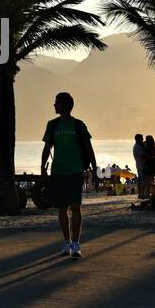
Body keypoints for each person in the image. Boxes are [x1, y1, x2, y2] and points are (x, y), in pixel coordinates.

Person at [42, 92, 97, 259]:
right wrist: (43, 166)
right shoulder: (52, 125)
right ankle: (66, 242)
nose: (54, 105)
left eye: (57, 102)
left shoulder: (78, 125)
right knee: (61, 208)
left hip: (75, 171)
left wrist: (94, 168)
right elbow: (47, 148)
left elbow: (88, 147)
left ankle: (76, 243)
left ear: (66, 105)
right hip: (58, 171)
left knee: (75, 207)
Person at [132, 134, 147, 198]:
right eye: (142, 138)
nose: (143, 139)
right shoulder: (137, 147)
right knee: (143, 180)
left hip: (139, 165)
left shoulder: (137, 146)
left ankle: (140, 194)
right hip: (141, 165)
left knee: (140, 180)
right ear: (138, 139)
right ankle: (142, 194)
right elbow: (143, 155)